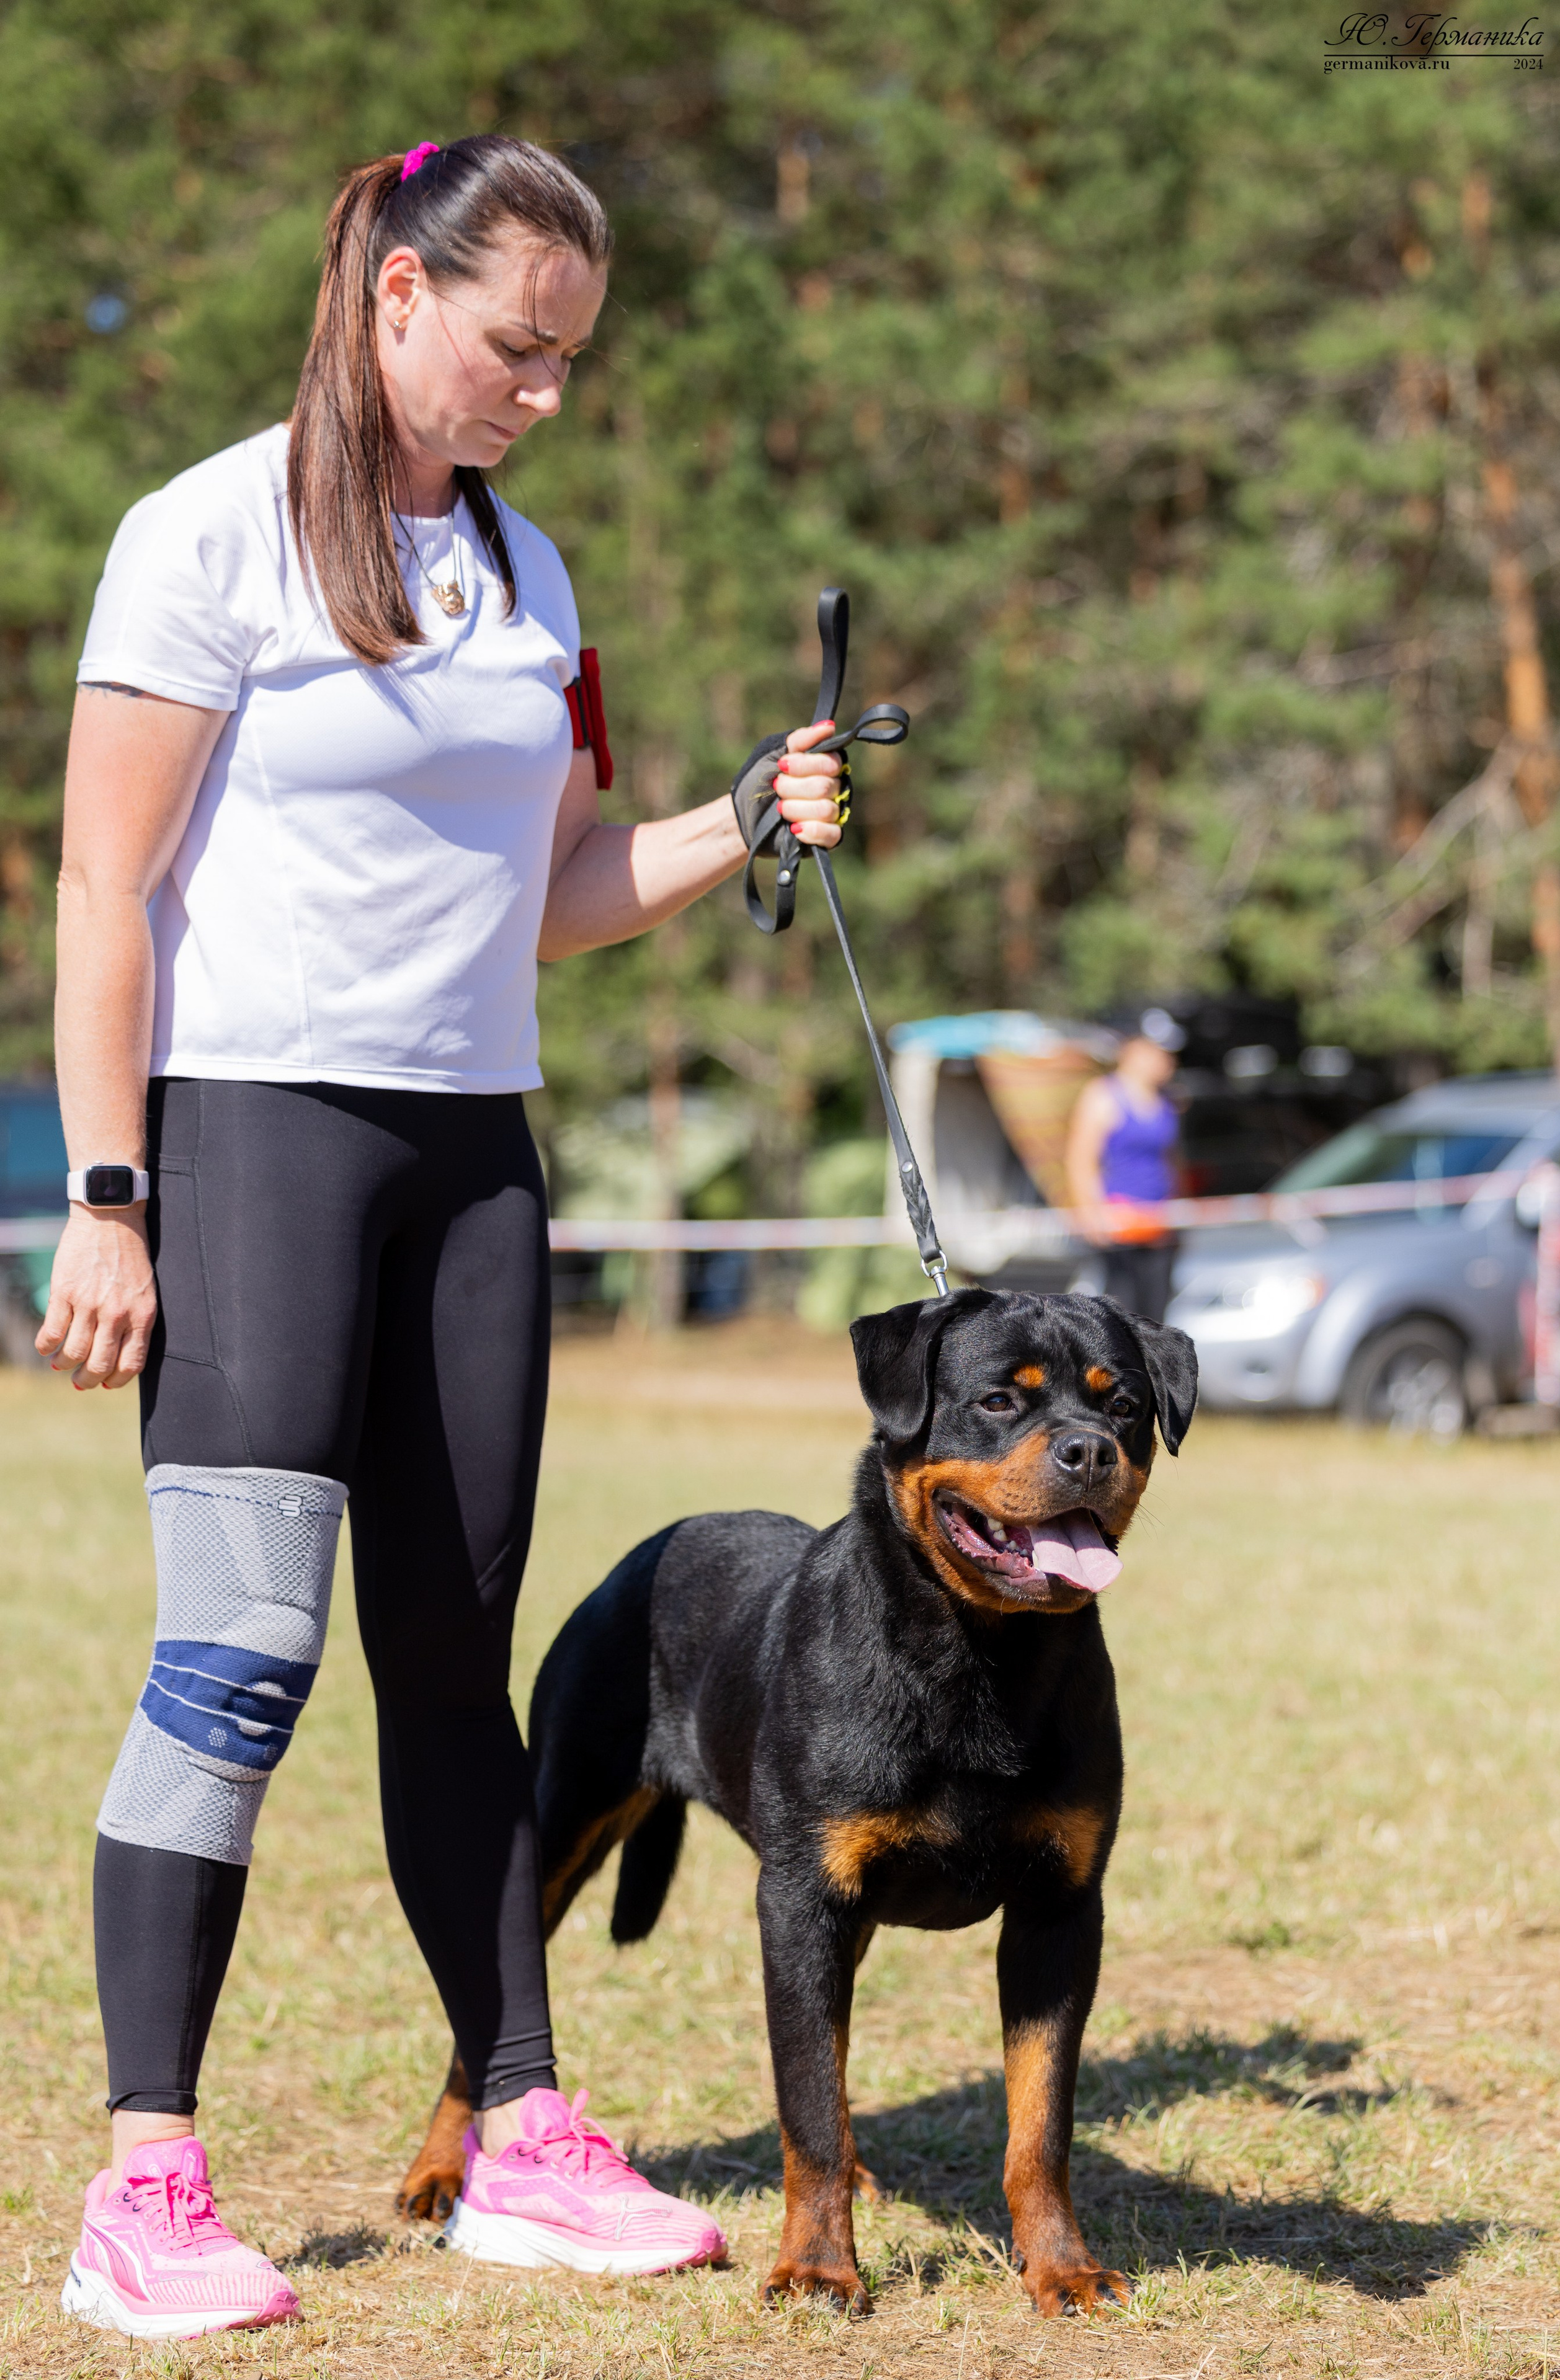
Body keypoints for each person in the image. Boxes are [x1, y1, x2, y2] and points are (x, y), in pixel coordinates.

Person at [40, 135, 844, 2342]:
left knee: (452, 1662)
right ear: (395, 295)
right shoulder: (201, 538)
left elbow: (549, 898)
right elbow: (102, 888)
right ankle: (147, 2177)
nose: (542, 393)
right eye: (516, 346)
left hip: (474, 1153)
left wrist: (734, 817)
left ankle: (519, 2129)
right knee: (237, 1650)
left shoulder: (534, 574)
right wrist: (108, 1190)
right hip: (254, 1135)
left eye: (570, 361)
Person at [1065, 1013, 1183, 1324]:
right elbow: (1081, 1159)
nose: (1167, 1061)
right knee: (1121, 1320)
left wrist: (1180, 1213)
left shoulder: (1167, 1102)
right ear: (1134, 1050)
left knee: (1156, 1321)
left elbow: (1173, 1162)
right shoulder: (1103, 1095)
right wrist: (1090, 1214)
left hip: (1160, 1230)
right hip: (1120, 1230)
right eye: (1158, 1052)